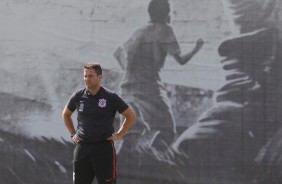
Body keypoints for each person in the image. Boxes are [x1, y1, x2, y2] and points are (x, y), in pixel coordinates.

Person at [114, 0, 204, 153]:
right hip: (149, 86)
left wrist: (129, 71)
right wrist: (197, 48)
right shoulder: (165, 29)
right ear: (167, 14)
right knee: (167, 131)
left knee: (130, 136)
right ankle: (152, 163)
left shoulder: (140, 30)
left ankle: (116, 169)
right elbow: (181, 60)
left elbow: (117, 52)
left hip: (127, 87)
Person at [62, 63, 136, 184]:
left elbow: (130, 116)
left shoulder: (110, 97)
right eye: (85, 76)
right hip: (82, 148)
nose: (87, 79)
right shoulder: (78, 96)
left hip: (103, 148)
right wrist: (72, 133)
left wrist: (119, 134)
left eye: (90, 76)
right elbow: (65, 115)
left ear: (99, 77)